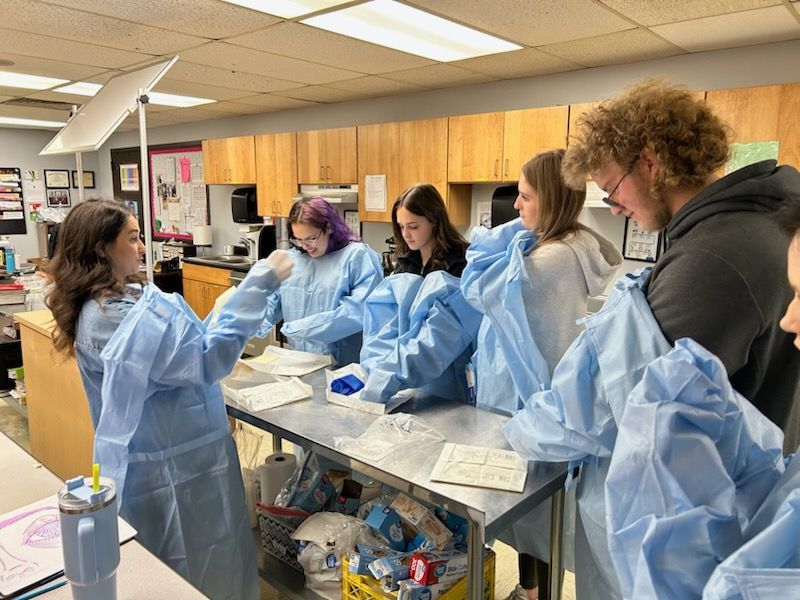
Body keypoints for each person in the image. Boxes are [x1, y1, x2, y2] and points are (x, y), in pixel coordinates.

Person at [505, 77, 800, 600]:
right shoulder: (758, 222)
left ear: (649, 164)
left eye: (612, 188)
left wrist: (518, 432)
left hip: (696, 530)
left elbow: (612, 406)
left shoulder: (708, 261)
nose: (614, 207)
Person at [44, 199, 294, 600]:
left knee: (217, 560)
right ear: (102, 248)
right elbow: (200, 360)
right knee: (184, 573)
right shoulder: (108, 317)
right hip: (165, 472)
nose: (142, 247)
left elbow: (182, 349)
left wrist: (222, 311)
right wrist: (257, 285)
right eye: (132, 238)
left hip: (189, 459)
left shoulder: (125, 298)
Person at [461, 150, 622, 600]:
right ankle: (530, 591)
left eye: (526, 197)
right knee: (536, 511)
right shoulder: (571, 244)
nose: (516, 206)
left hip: (527, 398)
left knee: (536, 512)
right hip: (532, 394)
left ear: (550, 200)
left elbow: (477, 286)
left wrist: (504, 234)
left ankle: (537, 594)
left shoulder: (550, 259)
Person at [257, 196, 383, 366]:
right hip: (300, 363)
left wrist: (302, 328)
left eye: (311, 238)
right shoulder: (292, 260)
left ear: (329, 227)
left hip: (343, 366)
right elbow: (273, 299)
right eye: (298, 239)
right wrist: (254, 320)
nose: (305, 246)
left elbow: (358, 312)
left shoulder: (357, 257)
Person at [391, 183, 469, 277]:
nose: (405, 234)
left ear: (434, 220)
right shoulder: (404, 263)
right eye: (401, 226)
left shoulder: (461, 262)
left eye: (413, 226)